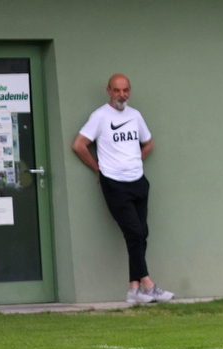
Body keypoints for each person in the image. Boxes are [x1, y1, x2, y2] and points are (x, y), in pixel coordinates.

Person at [72, 74, 173, 304]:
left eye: (125, 90)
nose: (122, 95)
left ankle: (134, 290)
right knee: (134, 233)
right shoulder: (99, 116)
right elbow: (79, 145)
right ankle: (148, 285)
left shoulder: (135, 115)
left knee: (141, 235)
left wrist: (137, 160)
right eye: (117, 90)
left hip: (138, 181)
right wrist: (99, 170)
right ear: (109, 91)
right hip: (114, 184)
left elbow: (148, 143)